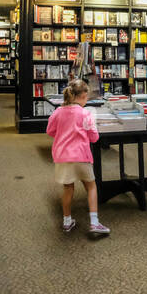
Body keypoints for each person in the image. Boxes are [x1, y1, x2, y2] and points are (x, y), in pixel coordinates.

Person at [46, 79, 109, 238]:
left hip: (63, 157)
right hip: (81, 156)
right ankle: (94, 222)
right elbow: (94, 138)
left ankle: (67, 221)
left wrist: (62, 135)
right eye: (86, 97)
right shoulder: (86, 113)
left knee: (68, 188)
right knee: (91, 187)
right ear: (82, 96)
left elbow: (50, 131)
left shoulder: (58, 112)